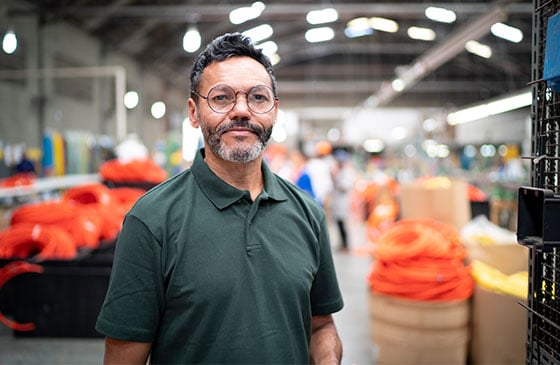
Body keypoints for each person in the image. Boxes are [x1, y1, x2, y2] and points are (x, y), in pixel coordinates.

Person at [95, 32, 344, 365]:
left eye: (257, 97)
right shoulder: (152, 220)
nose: (241, 111)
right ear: (194, 112)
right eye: (222, 98)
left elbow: (321, 325)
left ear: (273, 111)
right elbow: (125, 354)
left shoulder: (307, 214)